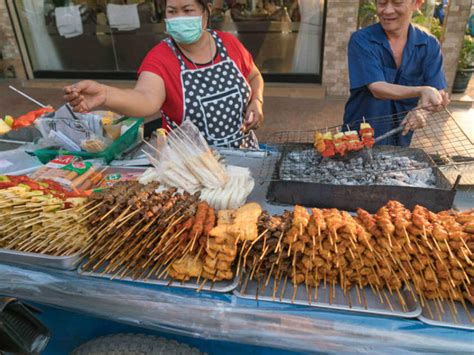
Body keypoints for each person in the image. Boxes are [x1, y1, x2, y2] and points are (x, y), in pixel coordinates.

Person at [64, 0, 264, 149]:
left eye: (187, 10)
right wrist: (105, 95)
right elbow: (145, 98)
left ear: (206, 12)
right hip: (194, 168)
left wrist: (256, 101)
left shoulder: (229, 43)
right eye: (172, 11)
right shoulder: (160, 58)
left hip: (246, 155)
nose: (179, 18)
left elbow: (254, 76)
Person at [343, 0, 449, 146]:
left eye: (397, 3)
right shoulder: (362, 40)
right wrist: (422, 90)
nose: (387, 10)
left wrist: (423, 111)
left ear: (417, 3)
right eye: (381, 3)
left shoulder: (429, 44)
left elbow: (438, 93)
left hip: (400, 136)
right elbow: (377, 88)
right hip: (360, 134)